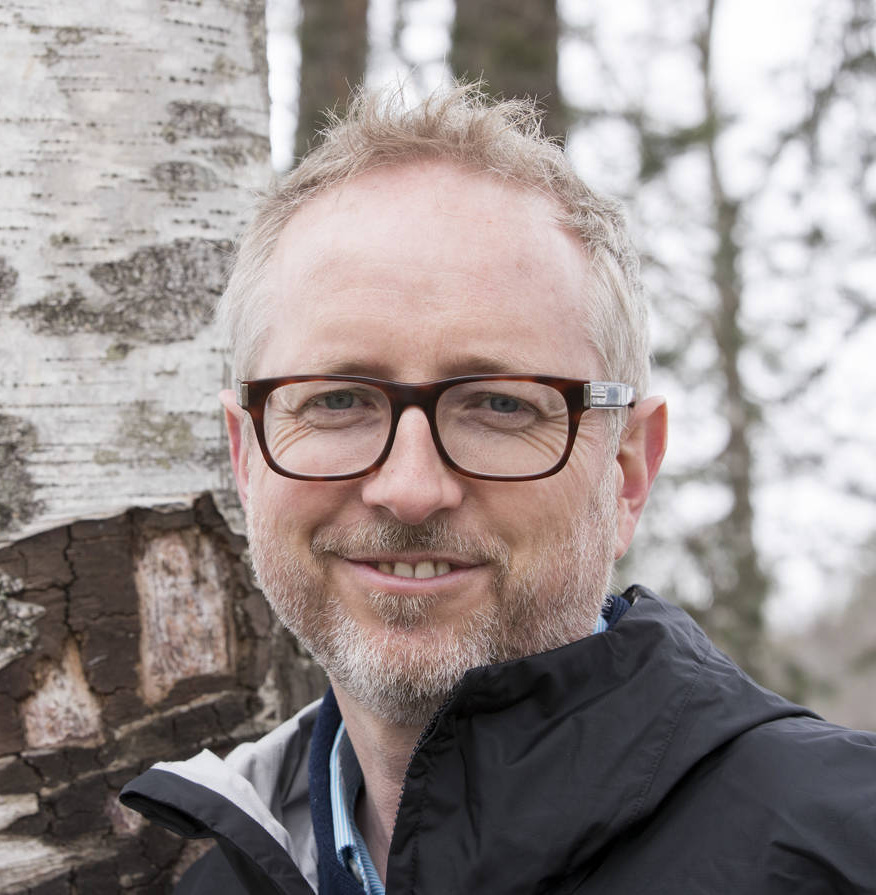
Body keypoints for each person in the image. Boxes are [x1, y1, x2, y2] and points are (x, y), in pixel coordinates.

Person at [119, 83, 876, 894]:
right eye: (338, 399)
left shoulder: (844, 848)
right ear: (245, 456)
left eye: (499, 404)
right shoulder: (207, 881)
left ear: (627, 469)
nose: (409, 488)